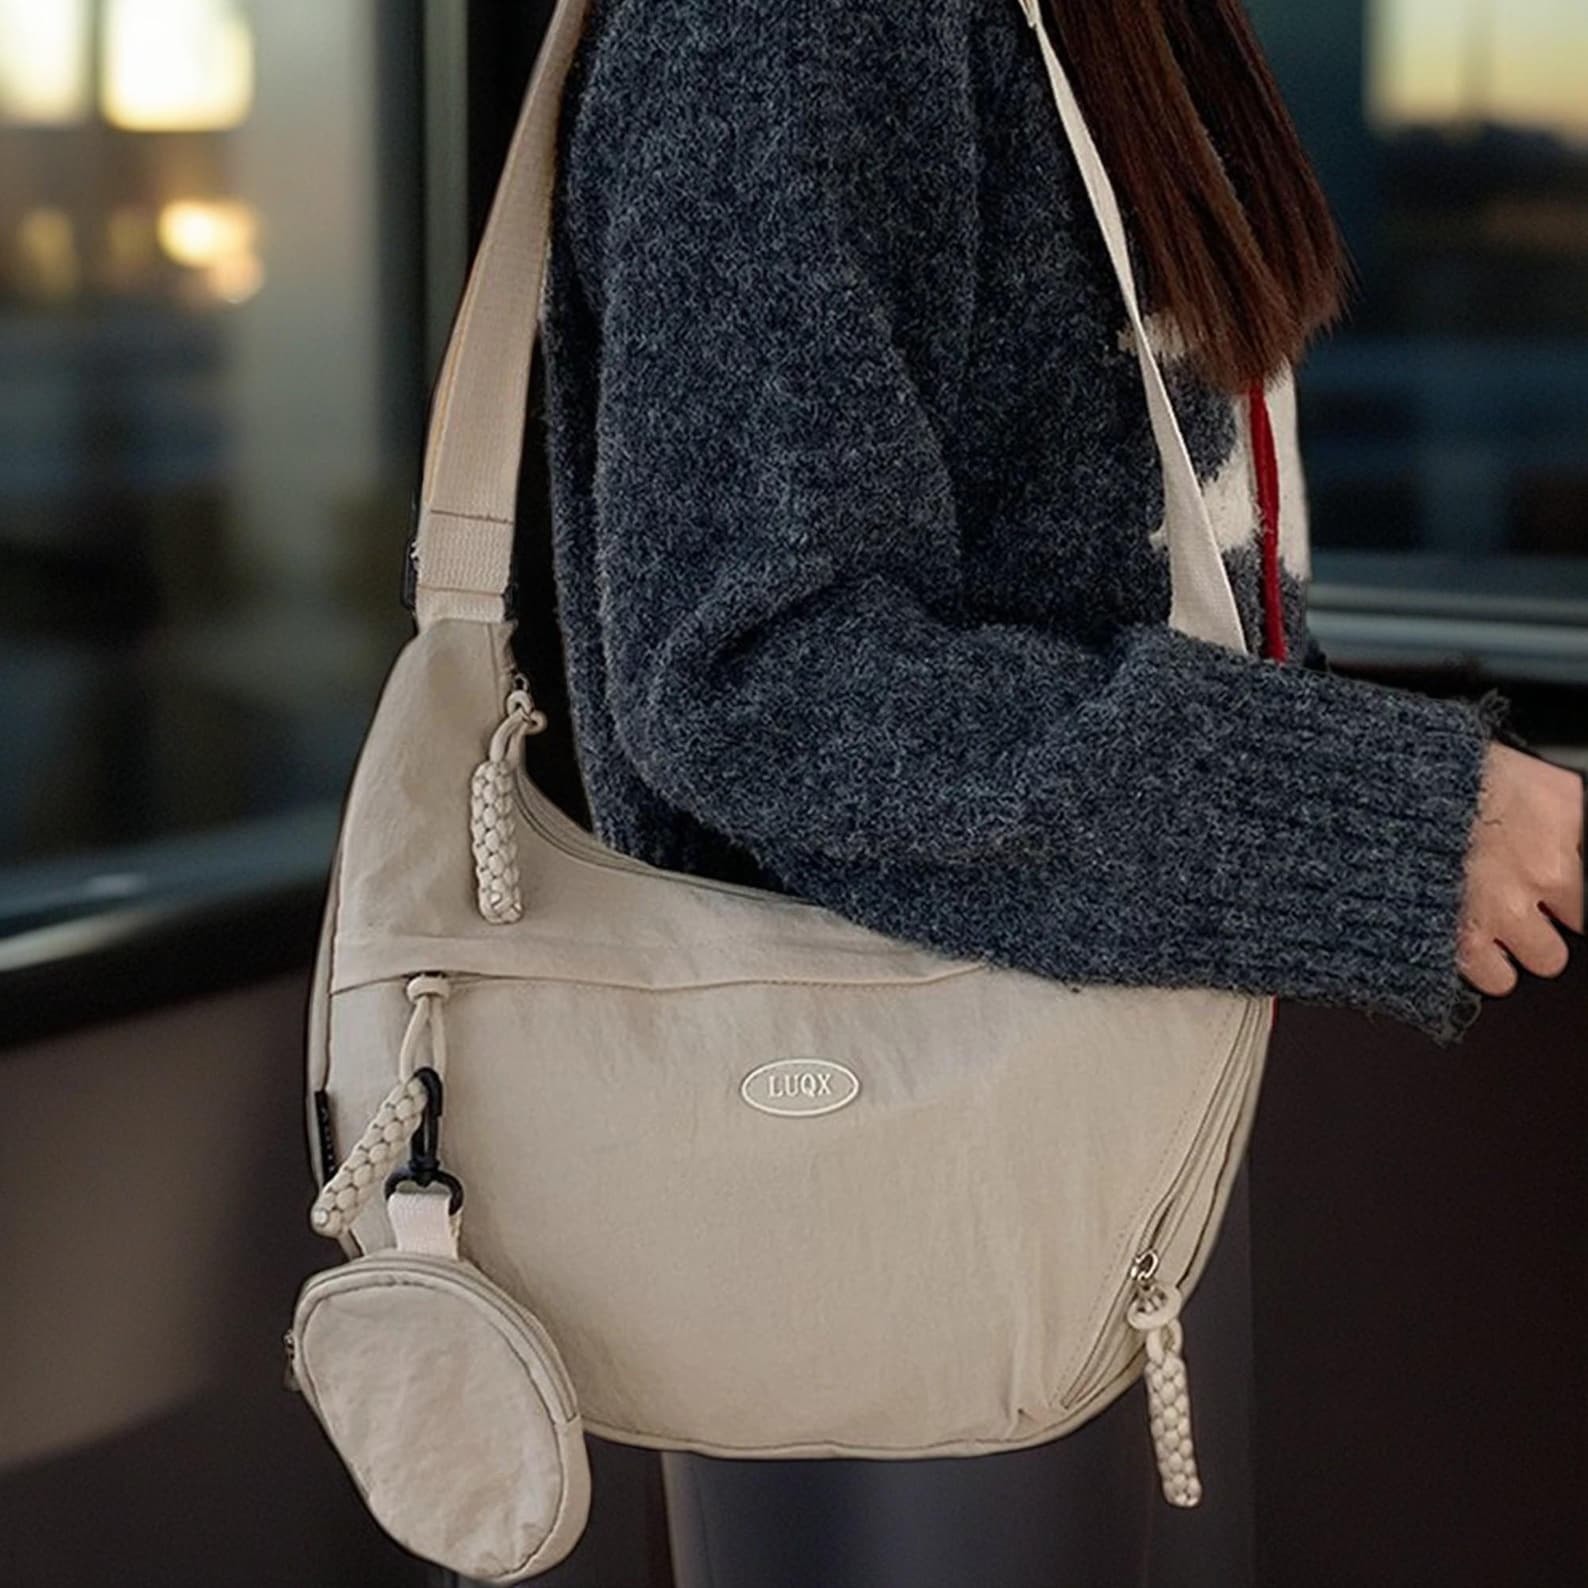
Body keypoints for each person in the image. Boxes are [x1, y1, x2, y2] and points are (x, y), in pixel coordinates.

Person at [531, 0, 1587, 1582]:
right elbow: (758, 671)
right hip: (883, 1163)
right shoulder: (800, 26)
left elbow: (1143, 577)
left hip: (1104, 1123)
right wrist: (1400, 823)